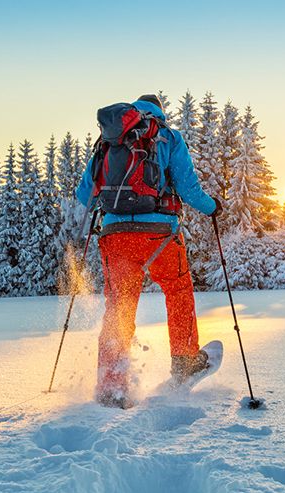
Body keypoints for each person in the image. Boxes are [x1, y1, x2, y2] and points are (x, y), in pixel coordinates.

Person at [75, 94, 222, 409]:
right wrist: (212, 208)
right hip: (159, 236)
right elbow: (187, 188)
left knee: (119, 307)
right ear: (159, 112)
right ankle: (184, 361)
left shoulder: (108, 140)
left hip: (115, 237)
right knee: (178, 290)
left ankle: (111, 386)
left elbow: (84, 193)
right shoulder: (167, 136)